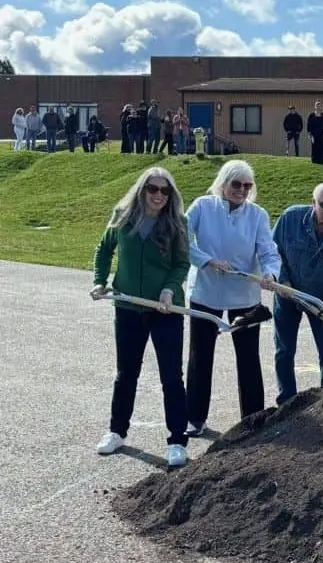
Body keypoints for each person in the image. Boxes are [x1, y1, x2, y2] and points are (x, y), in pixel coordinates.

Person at [89, 167, 191, 466]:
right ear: (142, 190)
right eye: (152, 189)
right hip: (128, 307)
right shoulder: (122, 216)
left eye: (164, 191)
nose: (158, 195)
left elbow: (182, 264)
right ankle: (117, 431)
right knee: (126, 373)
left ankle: (177, 441)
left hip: (165, 310)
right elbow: (104, 249)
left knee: (171, 376)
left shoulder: (178, 223)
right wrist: (99, 280)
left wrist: (169, 290)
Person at [183, 160, 281, 437]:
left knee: (248, 357)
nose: (242, 190)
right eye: (236, 184)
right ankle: (194, 417)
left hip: (244, 296)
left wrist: (271, 273)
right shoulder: (202, 206)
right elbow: (182, 238)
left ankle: (253, 419)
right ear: (223, 183)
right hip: (206, 292)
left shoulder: (257, 214)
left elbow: (268, 250)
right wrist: (207, 260)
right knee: (200, 355)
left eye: (247, 185)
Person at [271, 182, 323, 404]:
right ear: (313, 203)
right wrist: (282, 280)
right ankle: (286, 402)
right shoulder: (290, 219)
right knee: (284, 349)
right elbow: (273, 252)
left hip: (321, 300)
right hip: (288, 292)